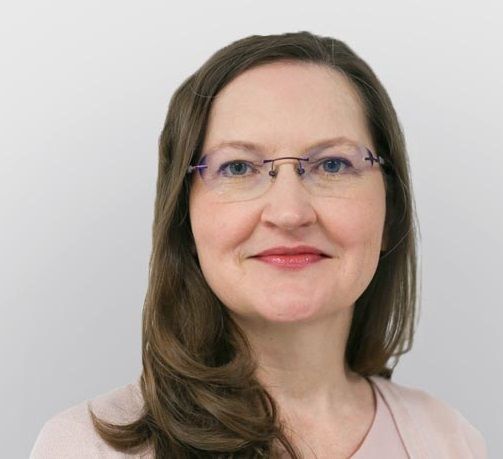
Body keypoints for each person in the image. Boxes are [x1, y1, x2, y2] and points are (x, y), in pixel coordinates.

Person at [30, 31, 487, 458]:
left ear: (391, 212)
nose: (289, 212)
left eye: (332, 165)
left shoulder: (451, 441)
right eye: (237, 167)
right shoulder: (86, 448)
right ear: (185, 219)